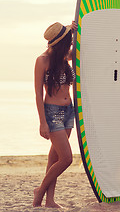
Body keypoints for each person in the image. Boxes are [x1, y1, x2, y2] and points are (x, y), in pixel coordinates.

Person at [33, 21, 77, 207]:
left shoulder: (64, 57)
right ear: (61, 43)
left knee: (55, 158)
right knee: (66, 158)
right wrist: (42, 122)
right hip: (53, 113)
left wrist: (72, 29)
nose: (71, 44)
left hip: (69, 111)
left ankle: (49, 200)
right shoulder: (42, 60)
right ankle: (40, 190)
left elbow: (83, 45)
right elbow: (38, 93)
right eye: (68, 41)